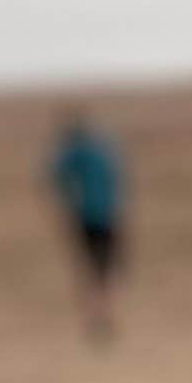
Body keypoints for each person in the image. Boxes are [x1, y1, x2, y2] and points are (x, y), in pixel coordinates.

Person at [44, 105, 128, 345]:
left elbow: (54, 176)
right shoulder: (103, 150)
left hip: (85, 216)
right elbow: (117, 181)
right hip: (107, 215)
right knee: (106, 269)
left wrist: (67, 203)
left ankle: (94, 316)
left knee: (89, 268)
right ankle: (105, 314)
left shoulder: (73, 153)